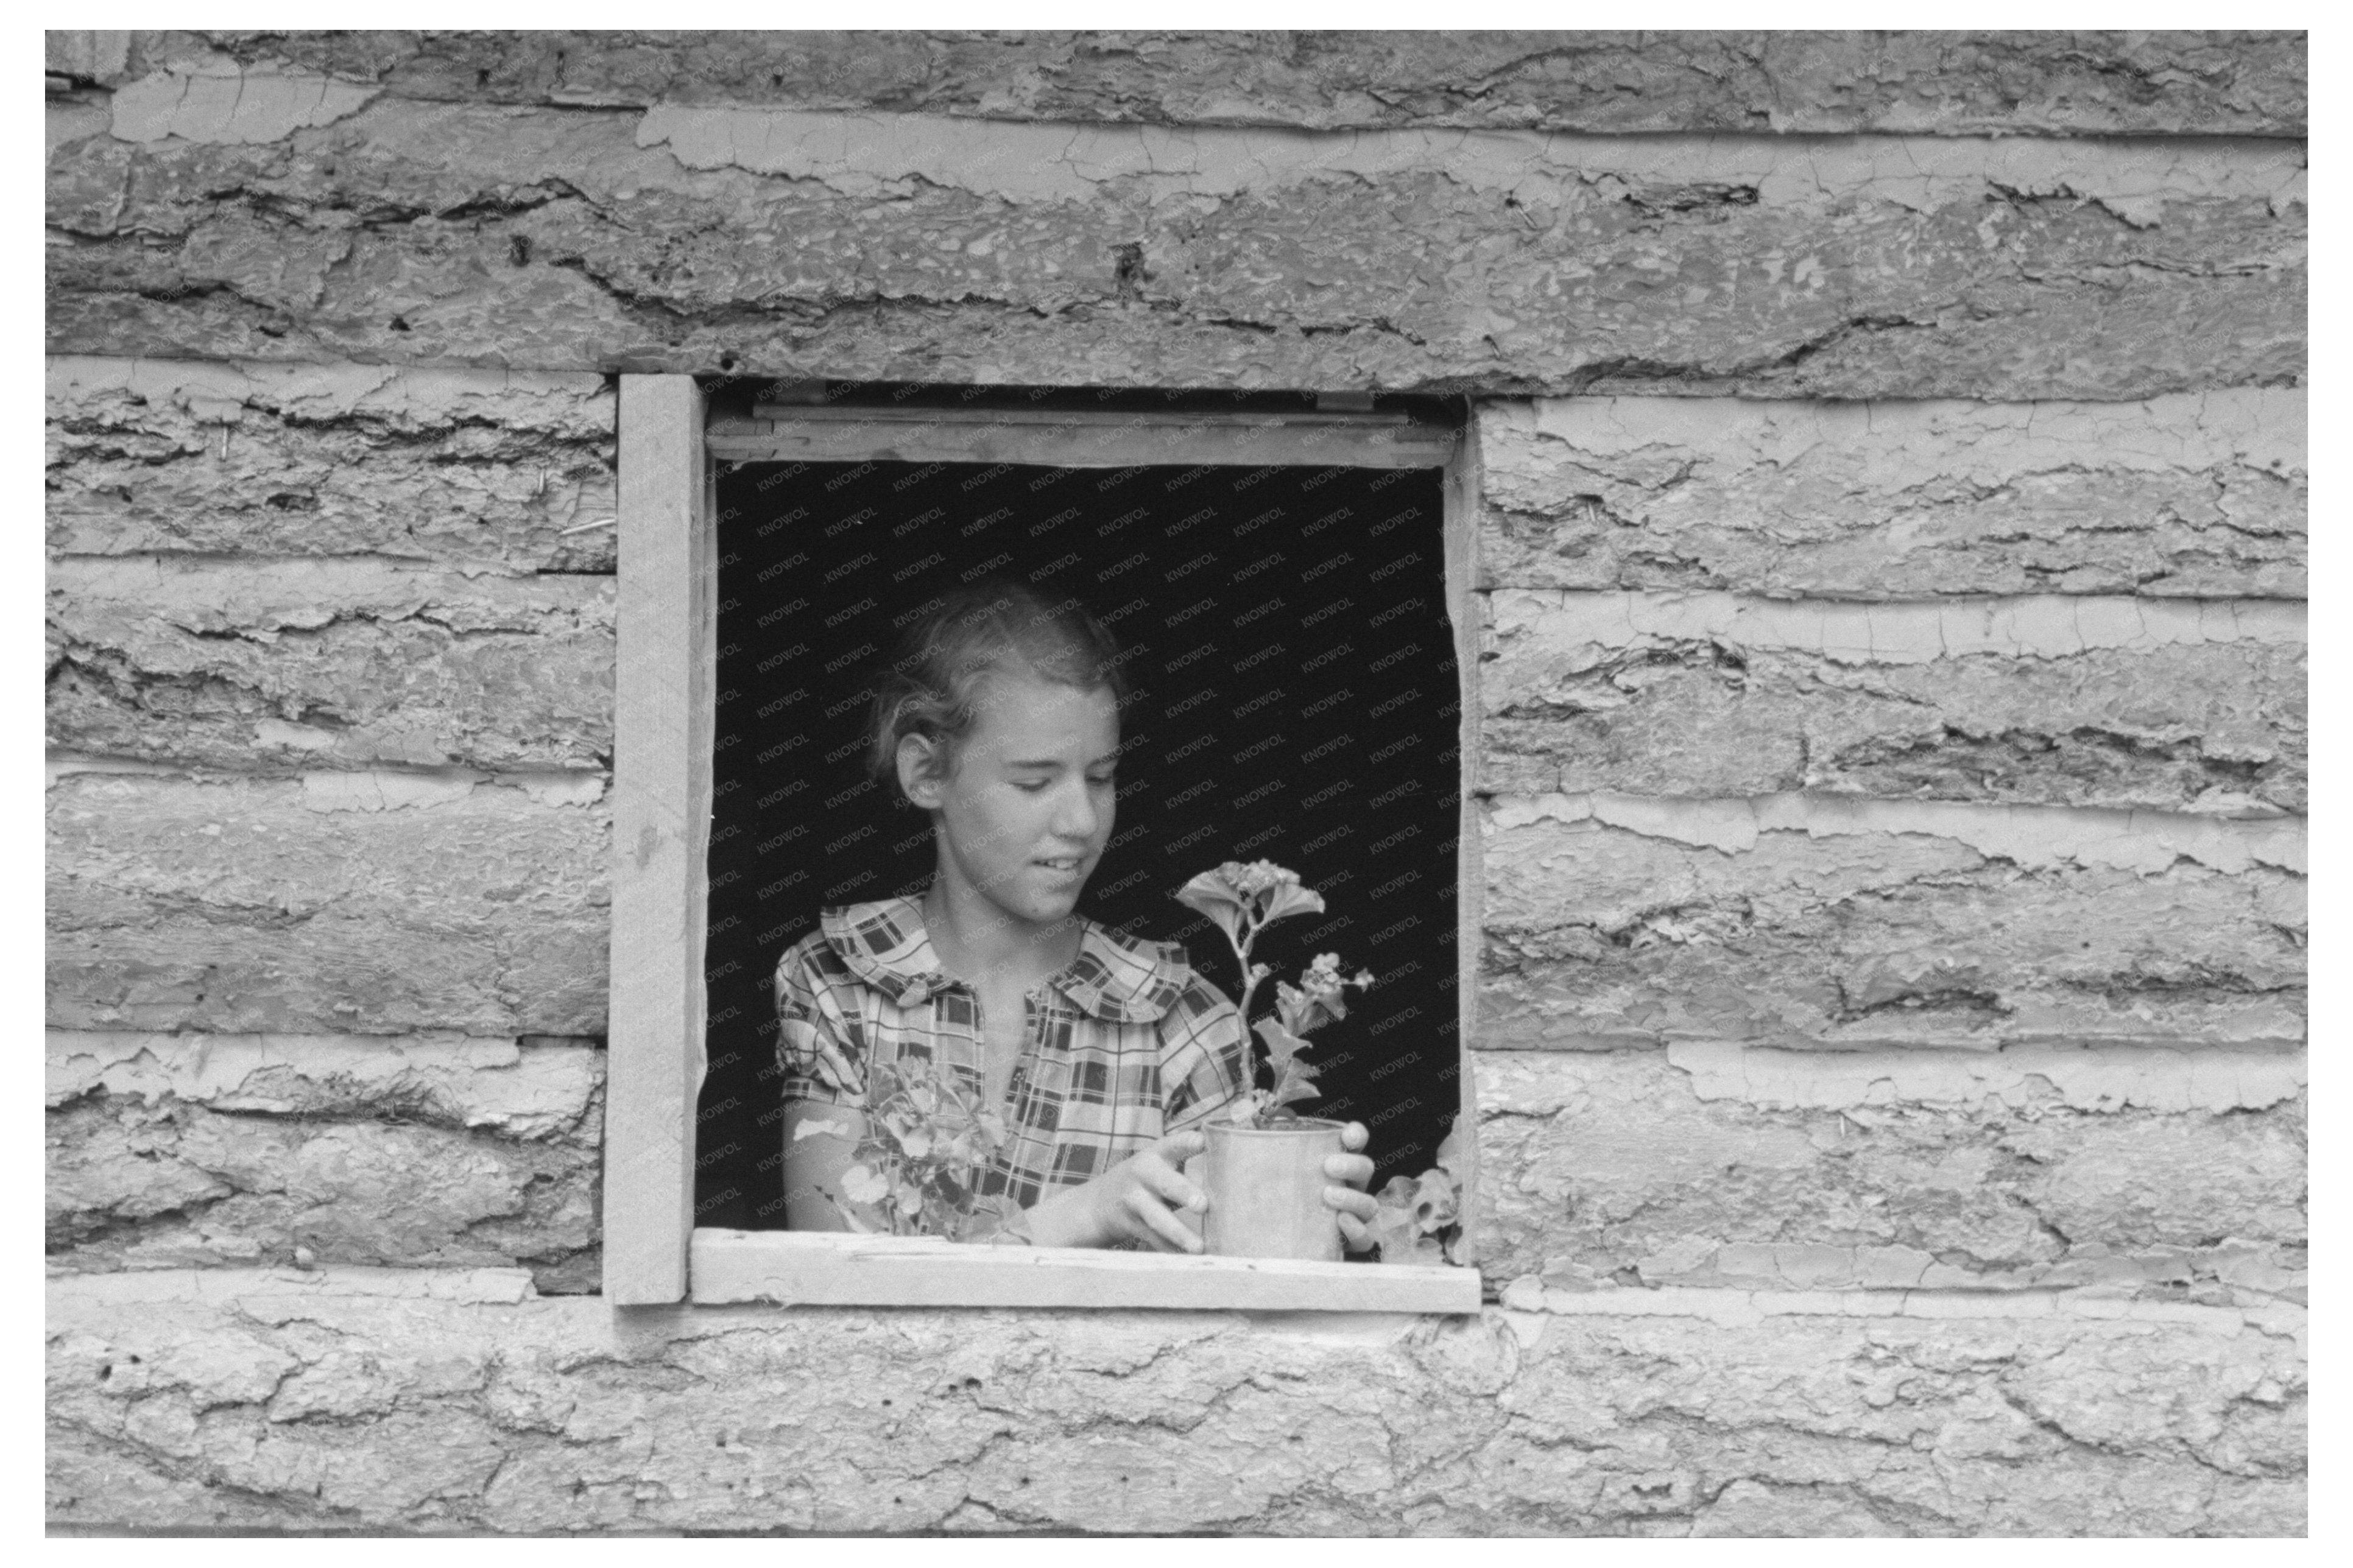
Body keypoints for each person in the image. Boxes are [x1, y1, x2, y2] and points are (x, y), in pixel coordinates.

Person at [773, 577, 1381, 1251]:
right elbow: (829, 1268)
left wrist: (1314, 1226)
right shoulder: (840, 981)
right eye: (1034, 782)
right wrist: (1087, 1215)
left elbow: (1232, 1298)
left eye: (1100, 777)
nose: (1082, 820)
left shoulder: (1181, 1022)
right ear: (926, 774)